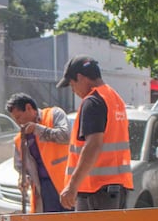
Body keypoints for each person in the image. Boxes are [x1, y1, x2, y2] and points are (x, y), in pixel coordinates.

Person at [56, 56, 133, 210]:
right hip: (117, 187)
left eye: (72, 84)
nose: (73, 90)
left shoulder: (93, 101)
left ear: (80, 78)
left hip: (96, 190)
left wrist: (72, 185)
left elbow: (93, 144)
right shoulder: (114, 98)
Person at [5, 92, 71, 213]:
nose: (18, 122)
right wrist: (23, 178)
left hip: (68, 184)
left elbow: (65, 136)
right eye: (15, 119)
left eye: (19, 117)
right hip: (45, 190)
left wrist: (37, 129)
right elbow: (20, 166)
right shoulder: (20, 139)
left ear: (29, 108)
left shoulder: (54, 114)